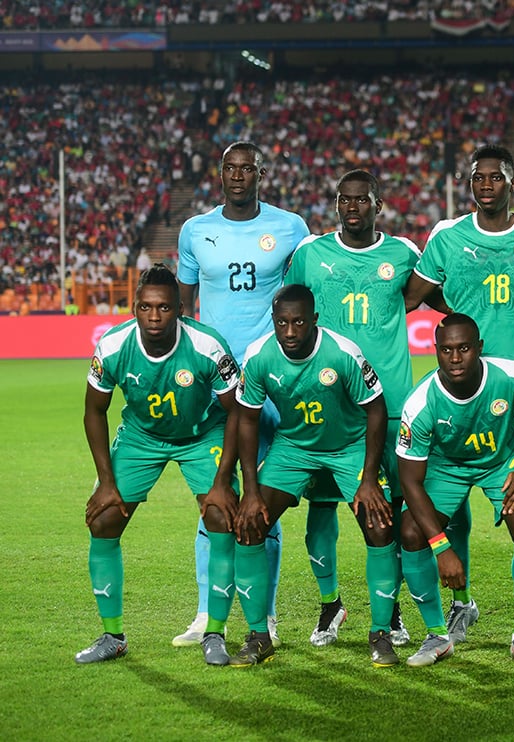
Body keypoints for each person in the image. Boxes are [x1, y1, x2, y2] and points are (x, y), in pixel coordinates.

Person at [404, 145, 514, 646]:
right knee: (449, 506)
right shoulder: (448, 237)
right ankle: (460, 606)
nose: (486, 184)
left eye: (496, 176)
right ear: (469, 183)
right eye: (478, 177)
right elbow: (412, 294)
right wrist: (455, 315)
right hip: (456, 388)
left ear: (513, 181)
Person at [176, 140, 310, 648]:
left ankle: (266, 613)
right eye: (230, 168)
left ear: (260, 173)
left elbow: (302, 293)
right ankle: (206, 612)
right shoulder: (196, 230)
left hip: (267, 387)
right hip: (213, 386)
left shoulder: (290, 227)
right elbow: (186, 307)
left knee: (262, 502)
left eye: (247, 169)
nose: (238, 176)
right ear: (221, 173)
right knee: (215, 498)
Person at [77, 265, 243, 666]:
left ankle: (215, 633)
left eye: (164, 308)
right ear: (134, 308)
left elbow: (238, 413)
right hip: (141, 437)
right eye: (147, 308)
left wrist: (223, 481)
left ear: (180, 310)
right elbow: (93, 412)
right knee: (104, 520)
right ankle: (112, 635)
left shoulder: (208, 347)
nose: (155, 317)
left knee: (222, 515)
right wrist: (105, 482)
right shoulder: (113, 346)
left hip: (203, 434)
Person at [284, 169, 419, 651]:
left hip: (392, 404)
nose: (353, 207)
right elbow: (286, 309)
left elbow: (436, 298)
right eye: (344, 199)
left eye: (362, 200)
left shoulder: (403, 254)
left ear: (378, 204)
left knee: (390, 514)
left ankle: (393, 608)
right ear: (336, 204)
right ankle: (330, 603)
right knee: (321, 512)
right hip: (327, 408)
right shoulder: (310, 255)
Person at [229, 284, 390, 666]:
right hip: (293, 448)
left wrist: (368, 479)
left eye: (298, 322)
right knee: (249, 524)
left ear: (314, 320)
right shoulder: (259, 356)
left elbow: (377, 410)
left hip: (348, 446)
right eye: (282, 322)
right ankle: (258, 635)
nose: (289, 331)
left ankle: (381, 632)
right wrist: (250, 491)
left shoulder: (342, 353)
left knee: (380, 525)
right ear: (273, 322)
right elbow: (246, 421)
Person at [396, 313, 514, 668]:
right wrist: (441, 548)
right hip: (448, 466)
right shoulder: (420, 403)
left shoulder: (512, 376)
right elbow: (409, 480)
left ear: (479, 349)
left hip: (502, 459)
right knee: (410, 532)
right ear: (435, 351)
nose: (455, 358)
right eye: (447, 350)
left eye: (464, 349)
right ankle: (438, 635)